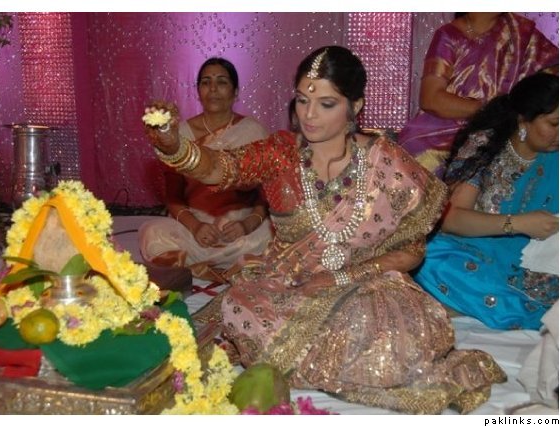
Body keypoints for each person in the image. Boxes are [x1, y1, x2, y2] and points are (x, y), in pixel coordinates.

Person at [143, 46, 506, 414]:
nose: (309, 115)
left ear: (355, 106)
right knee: (240, 306)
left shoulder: (385, 160)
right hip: (289, 284)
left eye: (326, 104)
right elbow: (219, 168)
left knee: (394, 332)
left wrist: (343, 277)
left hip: (365, 283)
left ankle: (323, 359)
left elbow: (413, 250)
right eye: (302, 101)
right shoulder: (281, 153)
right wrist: (174, 145)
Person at [413, 72, 559, 331]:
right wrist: (518, 223)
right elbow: (450, 218)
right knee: (427, 256)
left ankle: (465, 308)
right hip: (471, 249)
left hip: (530, 261)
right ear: (523, 120)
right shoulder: (487, 145)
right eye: (554, 123)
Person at [139, 57, 272, 282]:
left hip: (240, 234)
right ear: (198, 91)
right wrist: (196, 226)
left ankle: (199, 267)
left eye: (222, 82)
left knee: (273, 232)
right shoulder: (179, 134)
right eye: (206, 82)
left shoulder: (254, 132)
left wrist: (247, 224)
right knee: (151, 232)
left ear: (236, 92)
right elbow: (173, 196)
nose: (213, 88)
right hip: (196, 233)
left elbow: (266, 193)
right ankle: (228, 267)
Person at [398, 12, 558, 178]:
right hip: (440, 135)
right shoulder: (449, 35)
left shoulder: (521, 34)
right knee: (416, 156)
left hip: (502, 131)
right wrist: (491, 111)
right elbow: (431, 99)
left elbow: (550, 81)